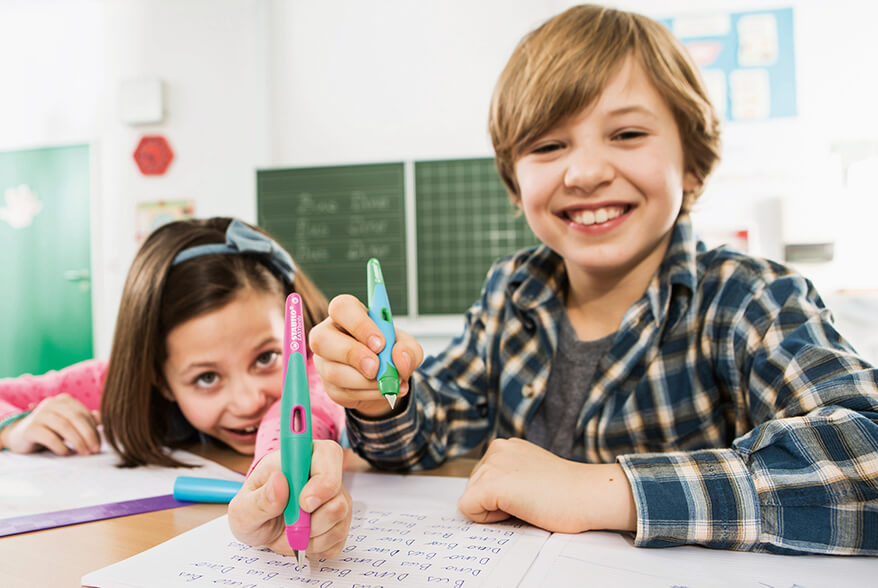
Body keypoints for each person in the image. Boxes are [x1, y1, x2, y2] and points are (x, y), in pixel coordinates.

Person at [309, 4, 878, 556]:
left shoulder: (750, 297)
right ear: (514, 182)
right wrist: (385, 398)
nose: (584, 172)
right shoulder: (511, 290)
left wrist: (604, 490)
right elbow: (432, 433)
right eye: (549, 146)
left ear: (692, 161)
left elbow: (867, 459)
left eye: (627, 134)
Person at [0, 217, 352, 559]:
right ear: (159, 378)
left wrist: (273, 469)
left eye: (266, 358)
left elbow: (292, 418)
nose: (247, 401)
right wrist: (14, 426)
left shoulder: (314, 369)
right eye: (207, 378)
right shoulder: (120, 384)